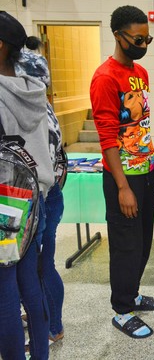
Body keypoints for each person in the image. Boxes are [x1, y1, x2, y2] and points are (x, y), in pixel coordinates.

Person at [90, 5, 154, 339]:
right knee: (125, 245)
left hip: (145, 170)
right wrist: (122, 186)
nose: (143, 45)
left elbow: (140, 124)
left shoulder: (141, 74)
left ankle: (132, 293)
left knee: (144, 242)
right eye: (138, 39)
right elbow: (107, 136)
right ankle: (121, 310)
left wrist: (151, 162)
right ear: (118, 35)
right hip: (124, 177)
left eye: (147, 39)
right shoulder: (105, 77)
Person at [0, 11, 53, 359]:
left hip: (4, 205)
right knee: (29, 283)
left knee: (4, 290)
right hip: (34, 200)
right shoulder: (34, 90)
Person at [15, 37, 66, 345]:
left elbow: (39, 165)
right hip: (43, 195)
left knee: (36, 268)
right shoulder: (40, 104)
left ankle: (48, 326)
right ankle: (44, 319)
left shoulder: (30, 109)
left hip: (36, 199)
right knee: (39, 265)